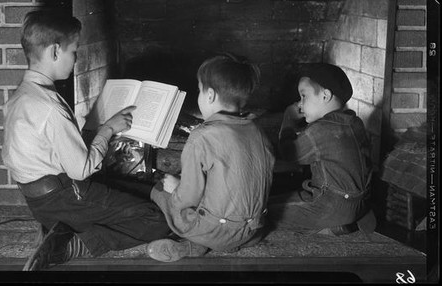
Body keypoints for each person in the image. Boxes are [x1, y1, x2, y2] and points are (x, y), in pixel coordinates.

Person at [2, 9, 170, 271]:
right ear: (55, 52)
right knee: (157, 219)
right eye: (74, 50)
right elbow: (80, 169)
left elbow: (55, 150)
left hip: (40, 201)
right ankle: (71, 245)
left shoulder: (21, 96)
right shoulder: (50, 107)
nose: (76, 57)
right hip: (66, 195)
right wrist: (108, 129)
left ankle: (60, 226)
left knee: (132, 190)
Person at [146, 53, 275, 262]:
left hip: (215, 230)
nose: (198, 95)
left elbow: (188, 197)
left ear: (210, 95)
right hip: (252, 230)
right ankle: (207, 245)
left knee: (160, 193)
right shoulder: (258, 131)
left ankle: (195, 243)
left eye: (199, 89)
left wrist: (174, 190)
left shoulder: (202, 136)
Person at [267, 63, 376, 235]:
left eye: (304, 96)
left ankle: (332, 226)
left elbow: (289, 154)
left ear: (325, 96)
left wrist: (288, 118)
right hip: (360, 203)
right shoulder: (355, 122)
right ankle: (350, 220)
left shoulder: (321, 130)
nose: (300, 105)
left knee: (262, 212)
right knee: (277, 201)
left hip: (330, 206)